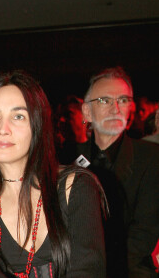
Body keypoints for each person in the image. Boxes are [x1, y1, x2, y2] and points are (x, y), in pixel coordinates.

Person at [0, 70, 107, 278]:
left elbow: (89, 269)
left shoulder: (76, 187)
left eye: (18, 116)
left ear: (37, 125)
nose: (3, 128)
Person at [62, 66, 159, 277]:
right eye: (105, 100)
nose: (115, 108)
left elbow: (144, 233)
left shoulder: (151, 157)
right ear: (87, 111)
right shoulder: (66, 160)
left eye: (123, 100)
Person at [54, 95, 89, 164]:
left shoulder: (96, 151)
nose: (61, 120)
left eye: (68, 115)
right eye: (60, 116)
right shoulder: (56, 153)